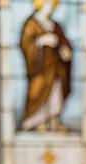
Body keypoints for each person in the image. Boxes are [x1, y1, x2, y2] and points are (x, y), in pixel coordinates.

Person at [19, 0, 72, 132]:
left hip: (55, 68)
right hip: (39, 69)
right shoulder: (31, 24)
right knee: (37, 92)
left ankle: (53, 119)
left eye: (53, 5)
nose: (51, 8)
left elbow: (63, 43)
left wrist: (64, 51)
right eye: (48, 5)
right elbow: (26, 44)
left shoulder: (55, 25)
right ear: (40, 4)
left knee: (55, 93)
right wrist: (41, 41)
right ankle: (38, 120)